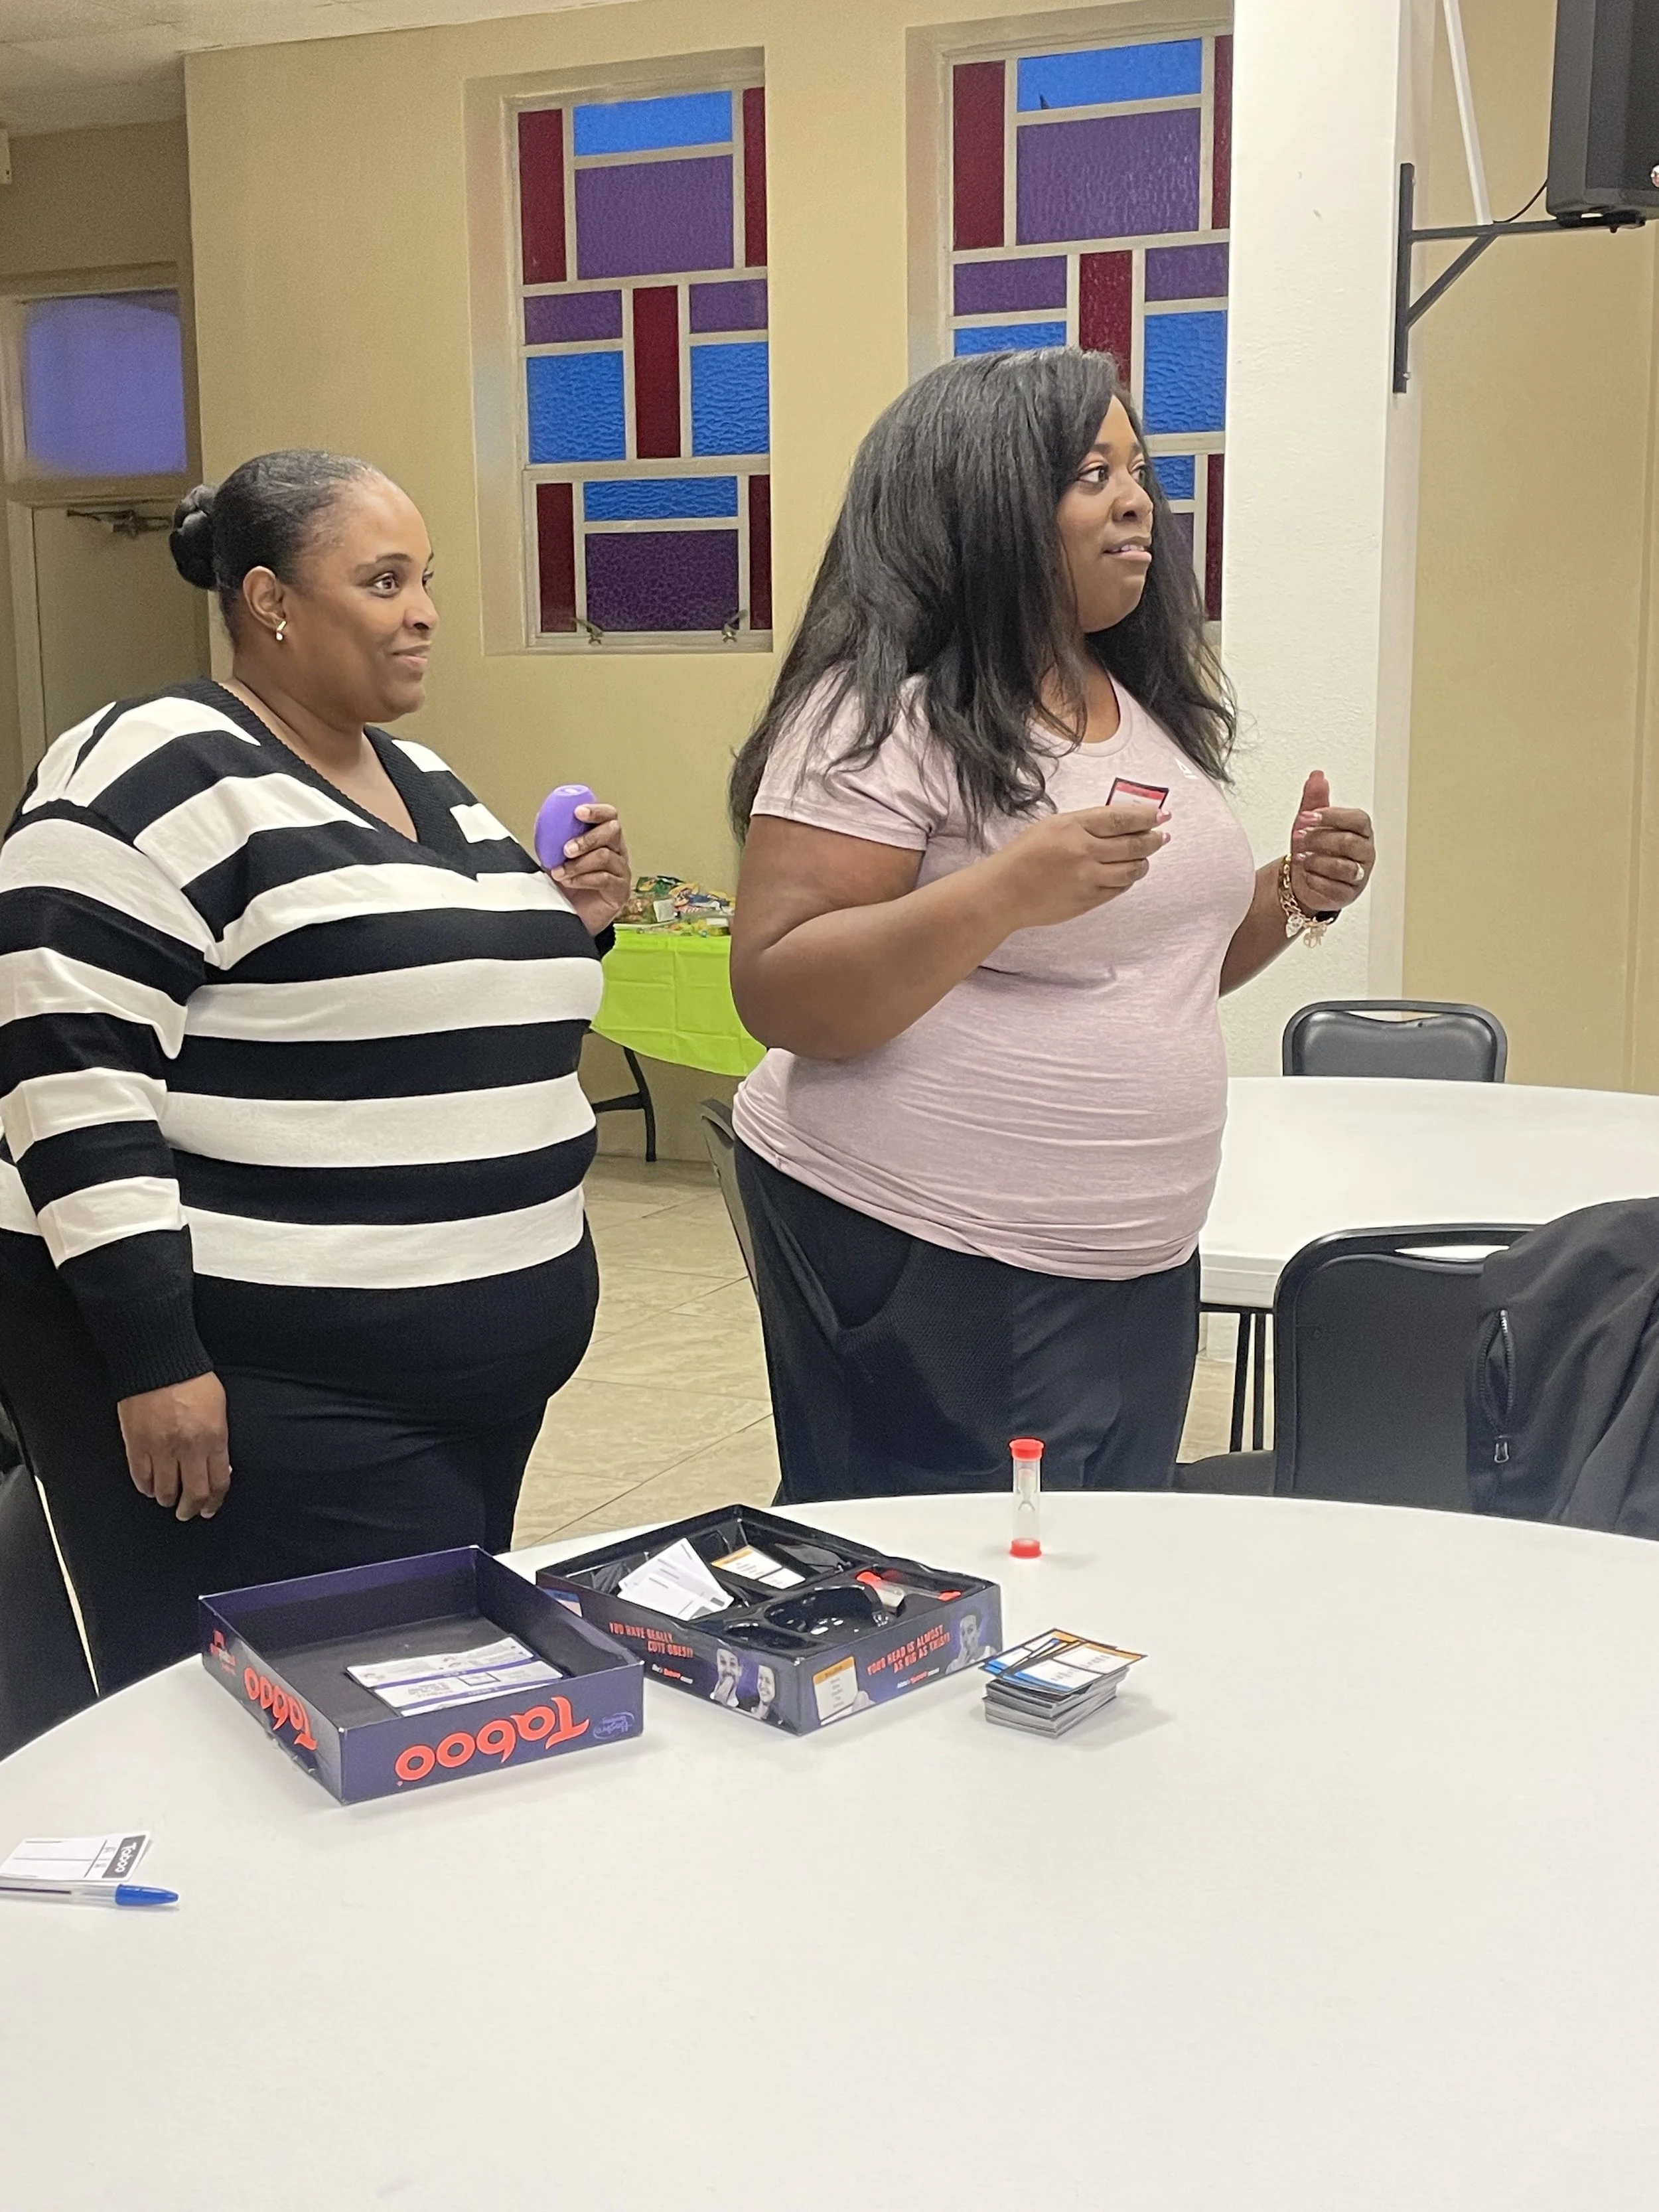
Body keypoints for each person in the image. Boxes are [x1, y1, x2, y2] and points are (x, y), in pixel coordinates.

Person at [0, 449, 631, 1691]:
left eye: (428, 579)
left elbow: (439, 991)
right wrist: (154, 1356)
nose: (426, 611)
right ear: (270, 601)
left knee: (415, 1695)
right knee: (305, 1712)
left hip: (471, 1386)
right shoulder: (152, 766)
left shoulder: (423, 780)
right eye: (384, 579)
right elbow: (65, 1065)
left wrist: (580, 919)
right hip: (279, 1387)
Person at [727, 349, 1375, 1501]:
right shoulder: (881, 712)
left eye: (1139, 469)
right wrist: (1004, 890)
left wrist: (1289, 894)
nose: (1138, 501)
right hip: (934, 1250)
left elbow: (1151, 968)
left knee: (1094, 1579)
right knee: (963, 1604)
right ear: (979, 501)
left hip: (1133, 1256)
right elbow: (784, 993)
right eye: (1091, 473)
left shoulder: (1136, 702)